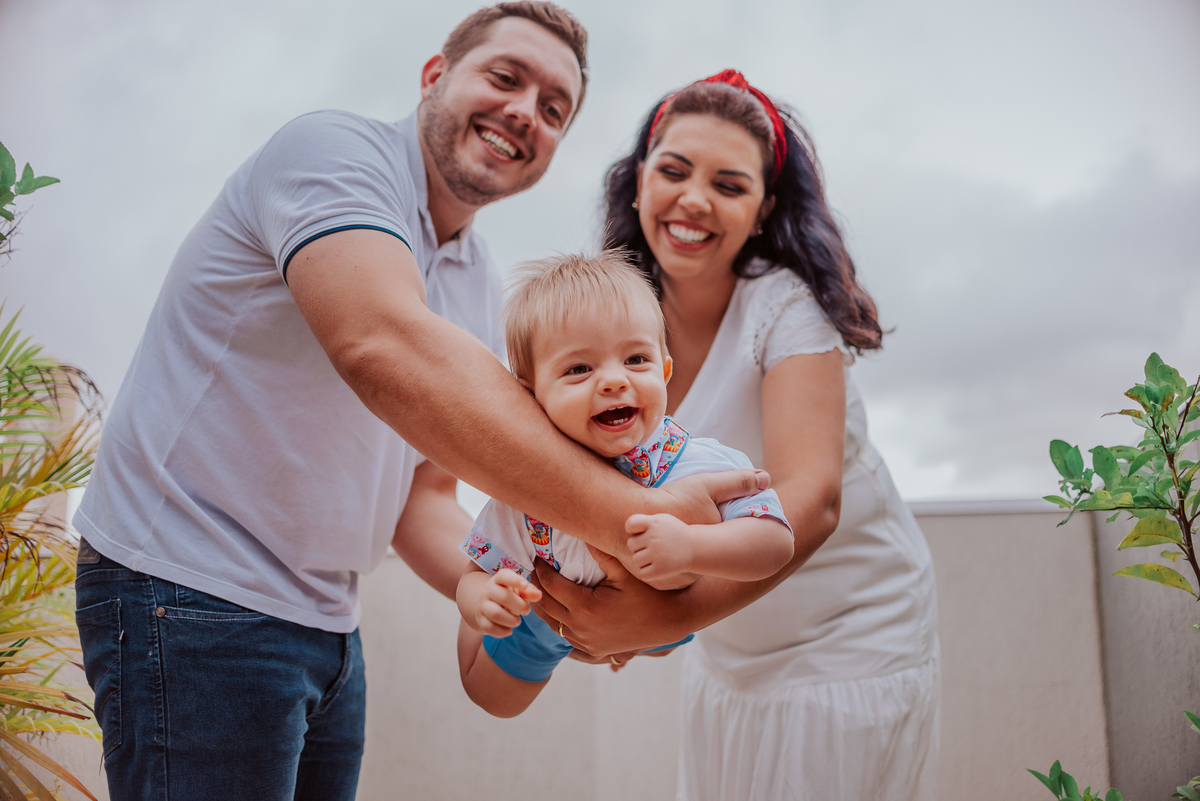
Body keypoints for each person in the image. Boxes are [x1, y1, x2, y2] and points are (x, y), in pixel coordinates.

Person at [70, 7, 765, 799]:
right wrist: (642, 526)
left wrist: (542, 591)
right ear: (435, 75)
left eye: (553, 109)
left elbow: (423, 498)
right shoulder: (332, 153)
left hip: (329, 621)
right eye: (505, 77)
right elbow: (381, 345)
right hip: (190, 590)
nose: (524, 112)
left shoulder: (476, 280)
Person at [531, 70, 940, 799]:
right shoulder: (619, 320)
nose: (694, 199)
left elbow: (812, 500)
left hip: (848, 640)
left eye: (728, 184)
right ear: (639, 182)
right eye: (674, 171)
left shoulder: (785, 308)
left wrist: (660, 618)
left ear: (762, 211)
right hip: (728, 649)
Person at [454, 253, 793, 718]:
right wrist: (485, 601)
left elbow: (776, 543)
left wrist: (692, 546)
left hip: (664, 609)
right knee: (492, 697)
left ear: (665, 370)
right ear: (530, 396)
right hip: (547, 610)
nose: (614, 380)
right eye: (579, 369)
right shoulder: (529, 486)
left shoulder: (696, 462)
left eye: (636, 359)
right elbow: (475, 573)